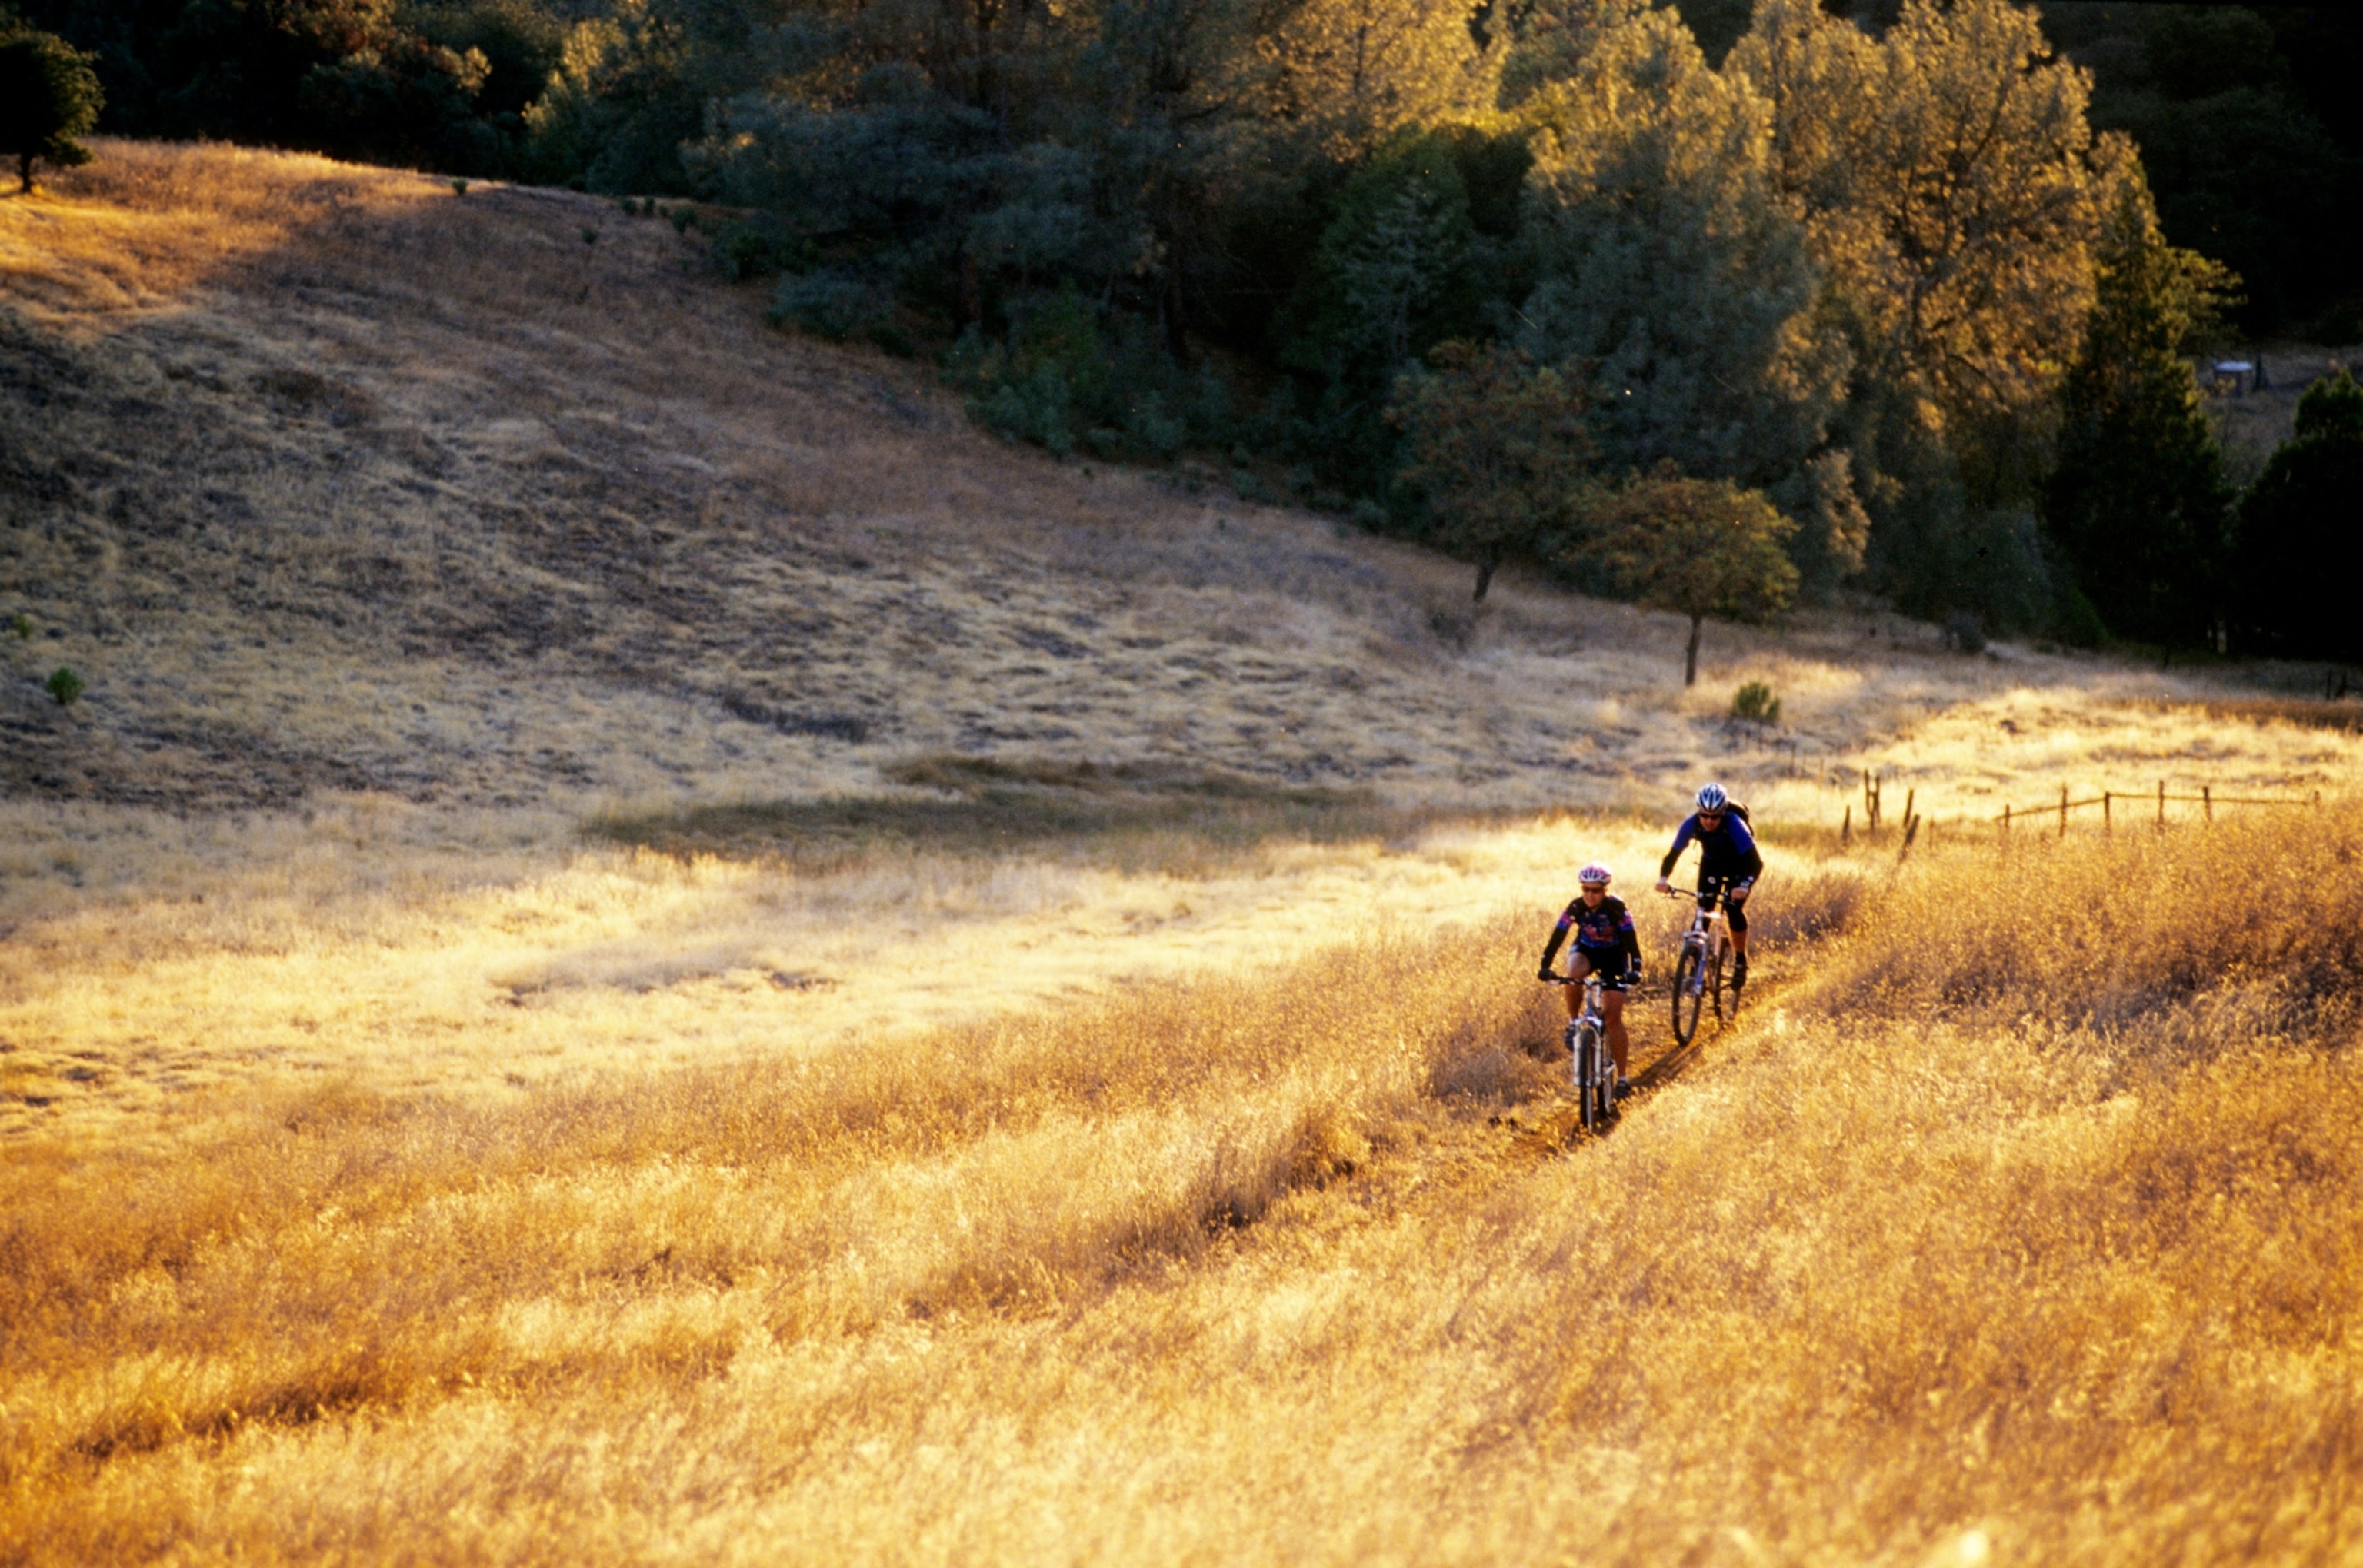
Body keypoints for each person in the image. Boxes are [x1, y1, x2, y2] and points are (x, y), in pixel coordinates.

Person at [1535, 862, 1641, 1098]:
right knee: (1573, 973)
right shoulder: (1576, 907)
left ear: (1605, 890)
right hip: (1586, 952)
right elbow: (1558, 935)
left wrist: (1637, 968)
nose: (1590, 895)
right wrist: (1545, 965)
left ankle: (1622, 1079)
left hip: (1614, 957)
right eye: (1585, 889)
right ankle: (1574, 1023)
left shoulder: (1617, 908)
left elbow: (1631, 940)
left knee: (1613, 1018)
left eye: (1595, 890)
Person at [1655, 781, 1762, 991]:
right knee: (1702, 912)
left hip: (1739, 866)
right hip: (1712, 864)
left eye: (1714, 817)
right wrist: (1663, 878)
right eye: (1704, 815)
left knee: (1733, 909)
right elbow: (1673, 854)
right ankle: (1695, 973)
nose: (1709, 821)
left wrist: (1745, 886)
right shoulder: (1691, 824)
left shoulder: (1734, 824)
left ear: (1722, 814)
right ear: (1699, 813)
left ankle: (1740, 961)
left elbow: (1756, 863)